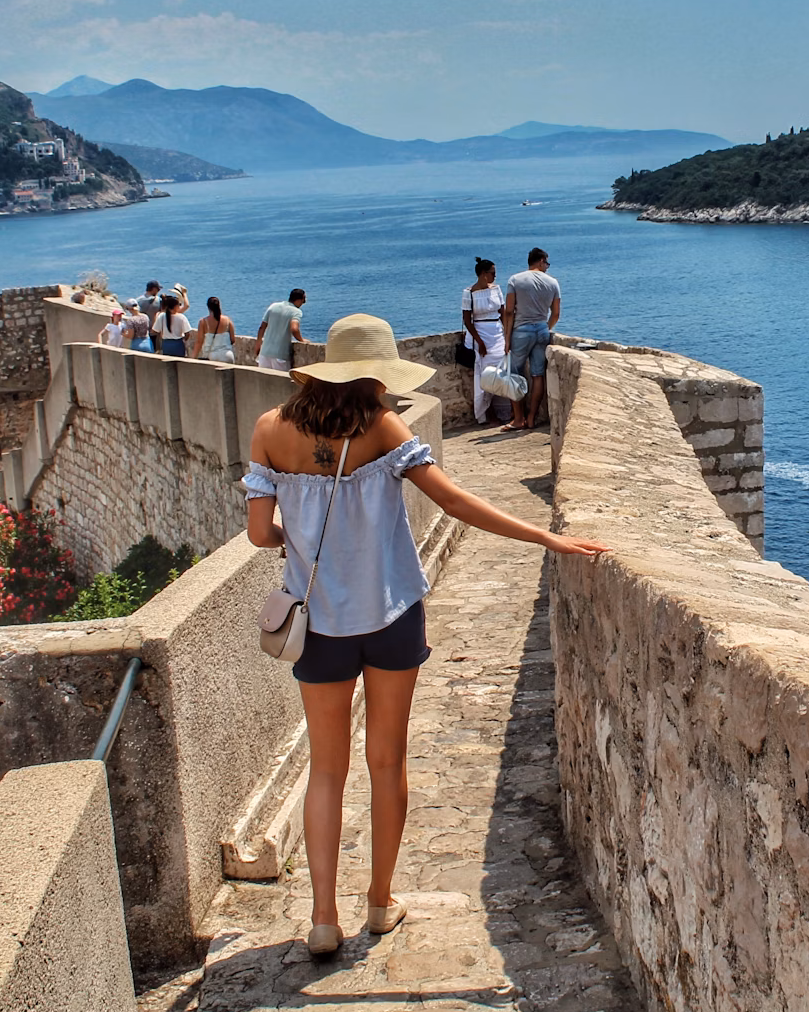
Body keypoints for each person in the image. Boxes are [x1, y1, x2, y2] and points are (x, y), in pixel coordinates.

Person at [243, 314, 607, 958]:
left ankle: (323, 919)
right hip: (389, 615)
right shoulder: (383, 428)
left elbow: (259, 534)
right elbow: (455, 502)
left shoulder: (272, 430)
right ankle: (380, 904)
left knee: (326, 769)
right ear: (379, 376)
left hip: (317, 622)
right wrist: (546, 536)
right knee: (387, 761)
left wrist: (295, 542)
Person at [501, 247, 560, 430]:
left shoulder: (515, 280)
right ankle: (532, 418)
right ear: (541, 260)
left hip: (521, 331)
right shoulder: (553, 282)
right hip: (542, 329)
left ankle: (518, 419)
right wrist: (545, 328)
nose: (547, 267)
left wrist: (507, 338)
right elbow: (556, 313)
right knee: (537, 375)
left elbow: (509, 311)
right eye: (547, 263)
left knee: (514, 375)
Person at [460, 257, 509, 426]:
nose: (495, 276)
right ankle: (487, 412)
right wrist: (479, 342)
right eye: (492, 273)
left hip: (496, 334)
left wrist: (508, 335)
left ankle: (504, 410)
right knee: (484, 374)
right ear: (483, 274)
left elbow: (503, 313)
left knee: (500, 371)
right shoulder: (468, 293)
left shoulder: (496, 290)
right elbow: (467, 320)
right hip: (480, 334)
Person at [257, 288, 306, 372]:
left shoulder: (273, 306)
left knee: (264, 383)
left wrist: (258, 343)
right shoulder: (296, 312)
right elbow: (294, 329)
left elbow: (262, 327)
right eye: (303, 300)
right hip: (280, 355)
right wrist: (302, 340)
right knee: (281, 383)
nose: (304, 303)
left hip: (264, 353)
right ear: (298, 300)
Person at [197, 296, 238, 363]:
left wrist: (193, 357)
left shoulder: (203, 322)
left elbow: (199, 342)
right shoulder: (228, 320)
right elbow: (233, 340)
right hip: (227, 355)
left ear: (208, 307)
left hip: (212, 356)